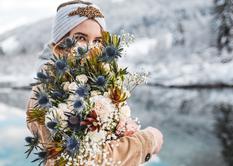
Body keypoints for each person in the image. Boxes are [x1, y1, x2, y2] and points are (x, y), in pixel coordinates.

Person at [26, 1, 163, 165]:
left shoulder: (97, 81)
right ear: (61, 44)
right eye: (80, 38)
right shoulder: (46, 94)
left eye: (98, 40)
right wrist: (147, 141)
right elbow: (81, 160)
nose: (91, 47)